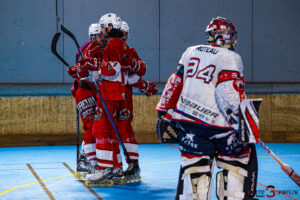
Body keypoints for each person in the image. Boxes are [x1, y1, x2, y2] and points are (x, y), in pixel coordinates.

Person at [156, 17, 258, 200]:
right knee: (236, 164)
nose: (232, 39)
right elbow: (228, 93)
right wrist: (242, 124)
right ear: (221, 37)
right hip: (221, 126)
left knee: (194, 170)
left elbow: (175, 82)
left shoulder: (191, 51)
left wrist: (163, 112)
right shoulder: (231, 57)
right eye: (230, 35)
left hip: (189, 124)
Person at [68, 22, 107, 179]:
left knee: (95, 127)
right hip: (84, 91)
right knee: (91, 127)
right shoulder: (88, 49)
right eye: (99, 36)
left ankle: (85, 159)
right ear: (92, 36)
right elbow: (79, 69)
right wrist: (77, 72)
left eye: (102, 36)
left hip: (94, 92)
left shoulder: (101, 49)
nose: (101, 38)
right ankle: (88, 162)